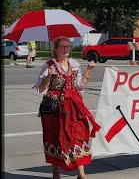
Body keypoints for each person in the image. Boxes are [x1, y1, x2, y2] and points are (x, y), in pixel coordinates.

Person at [35, 36, 101, 179]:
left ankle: (81, 174)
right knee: (56, 139)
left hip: (73, 107)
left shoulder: (74, 64)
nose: (66, 49)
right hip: (55, 109)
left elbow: (80, 87)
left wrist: (89, 70)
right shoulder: (48, 66)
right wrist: (49, 77)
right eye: (62, 46)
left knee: (79, 137)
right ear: (56, 49)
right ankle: (56, 173)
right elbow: (40, 89)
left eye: (68, 46)